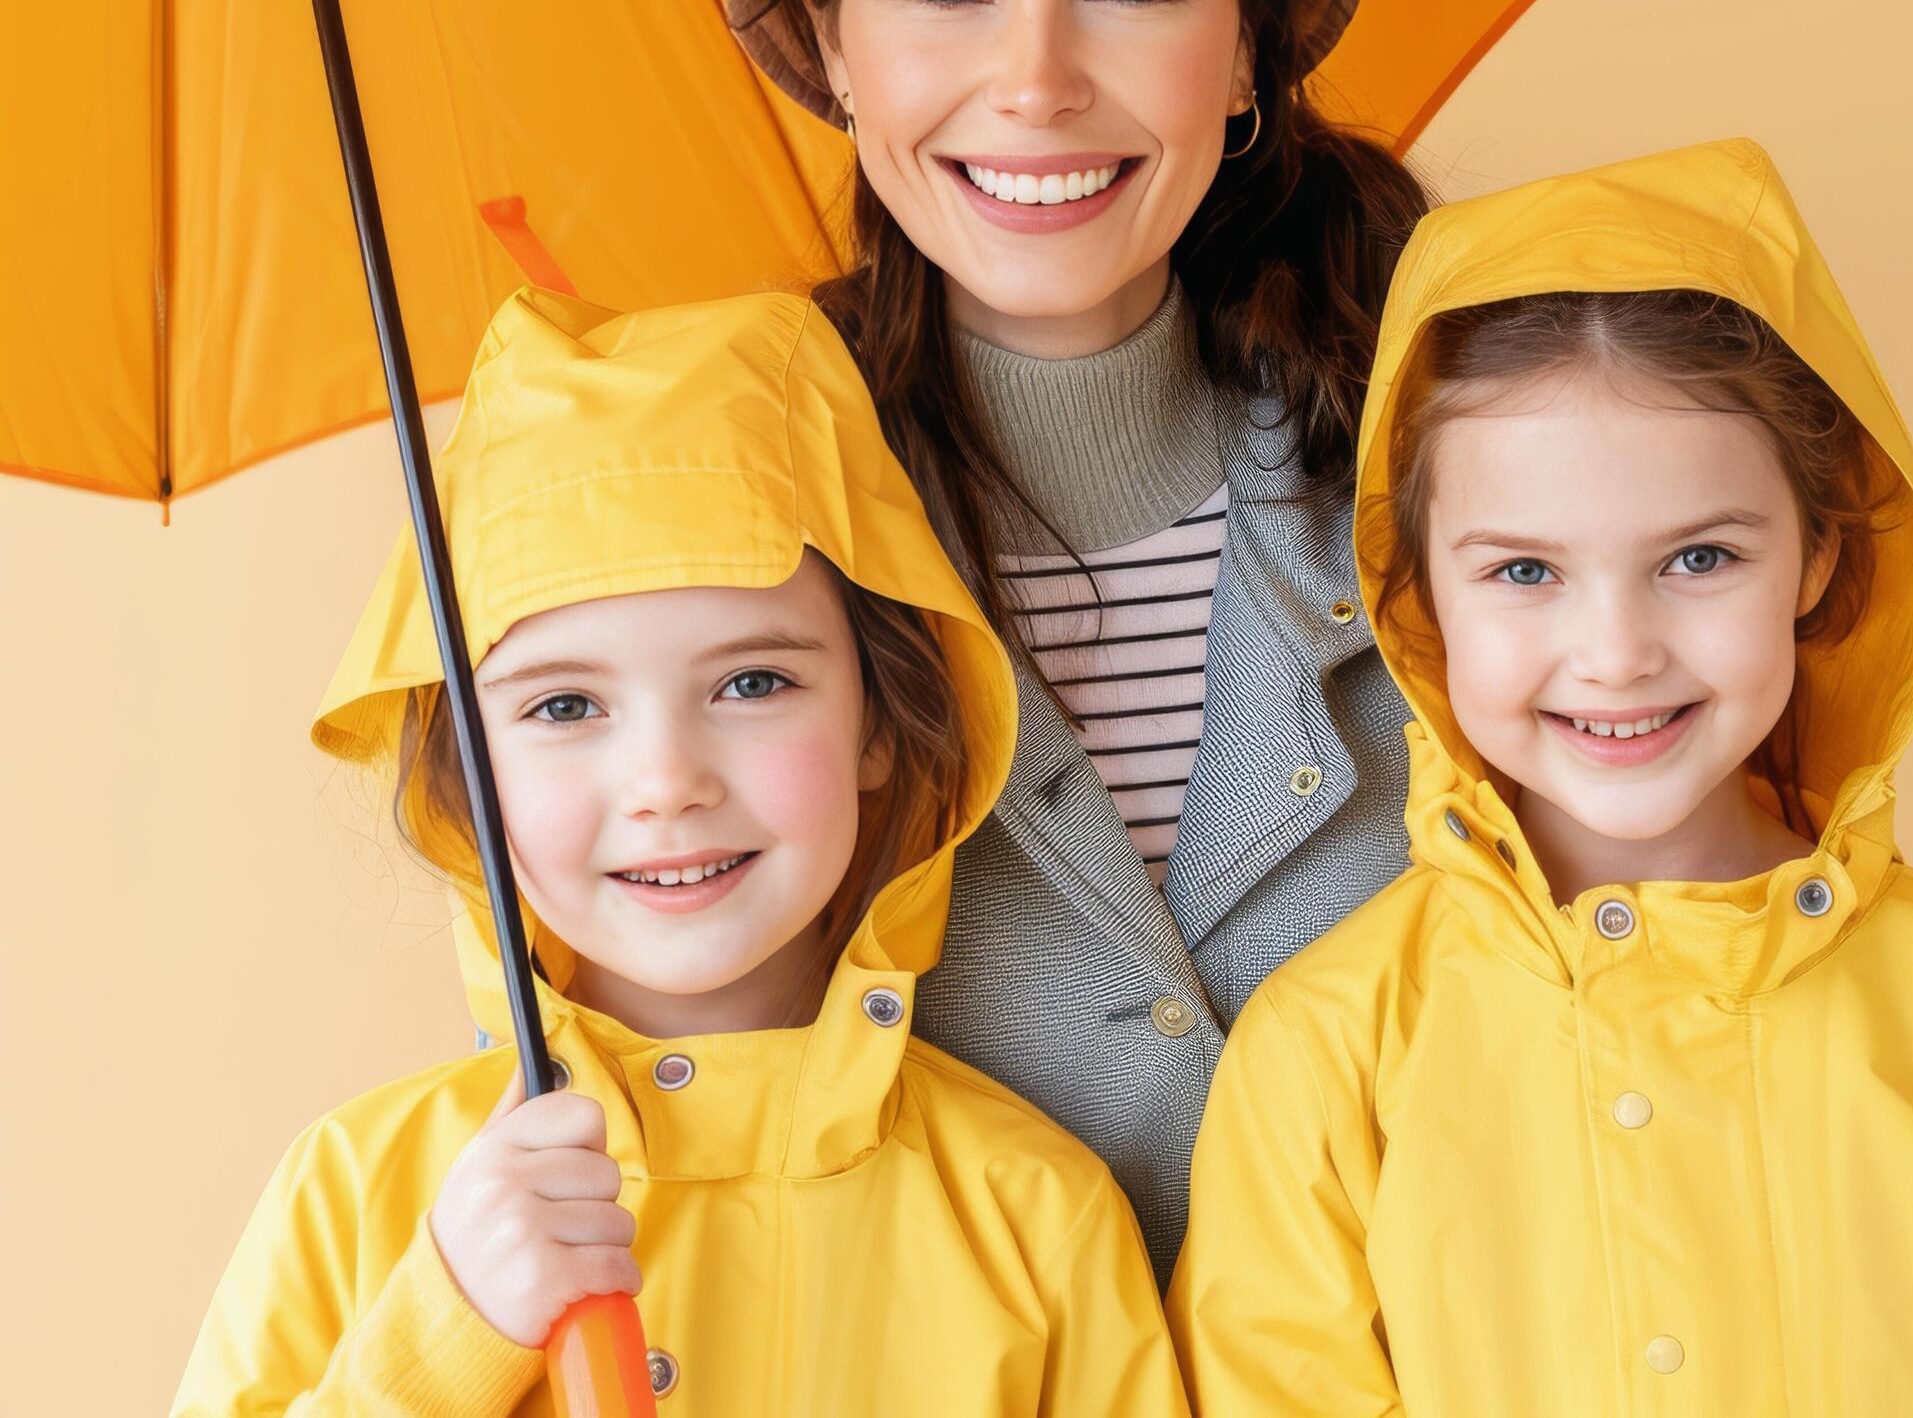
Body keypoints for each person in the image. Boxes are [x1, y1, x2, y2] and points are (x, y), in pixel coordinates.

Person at [1169, 140, 1913, 1414]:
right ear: (1417, 593)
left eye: (1699, 559)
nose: (1616, 653)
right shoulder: (1327, 1045)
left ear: (1819, 559)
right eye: (1524, 571)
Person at [718, 0, 1428, 1280]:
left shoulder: (1458, 488)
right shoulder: (728, 532)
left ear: (1246, 42)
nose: (1035, 82)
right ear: (833, 38)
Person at [175, 289, 1183, 1414]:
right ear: (469, 773)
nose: (665, 783)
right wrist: (441, 1341)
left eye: (753, 682)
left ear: (881, 724)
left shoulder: (1036, 1222)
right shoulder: (359, 1196)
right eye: (563, 706)